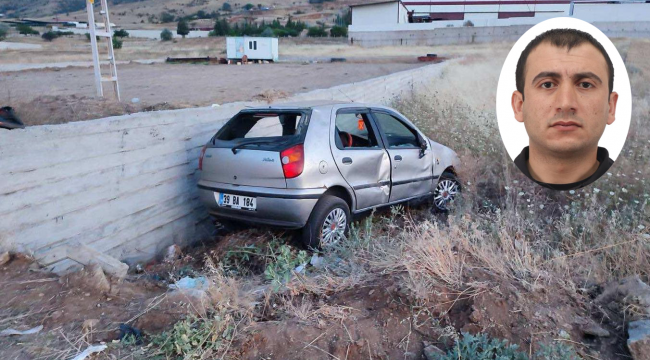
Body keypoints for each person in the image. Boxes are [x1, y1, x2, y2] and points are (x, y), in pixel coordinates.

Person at [511, 28, 619, 191]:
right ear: (519, 106)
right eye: (547, 84)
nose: (566, 103)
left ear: (611, 107)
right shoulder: (488, 186)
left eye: (585, 85)